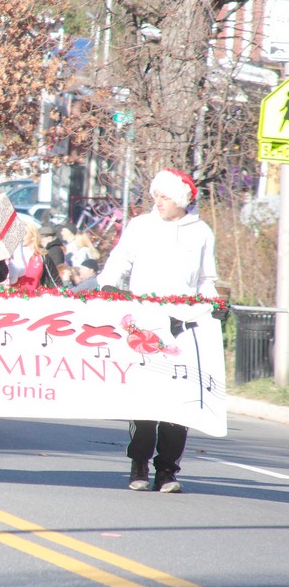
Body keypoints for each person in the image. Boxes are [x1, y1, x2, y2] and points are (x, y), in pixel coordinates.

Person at [98, 168, 218, 494]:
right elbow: (119, 259)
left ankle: (167, 470)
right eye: (156, 196)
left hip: (183, 326)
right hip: (144, 325)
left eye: (165, 197)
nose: (159, 202)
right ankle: (138, 463)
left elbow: (207, 280)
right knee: (146, 401)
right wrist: (109, 284)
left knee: (178, 403)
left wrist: (211, 307)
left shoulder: (201, 232)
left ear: (180, 200)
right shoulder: (141, 227)